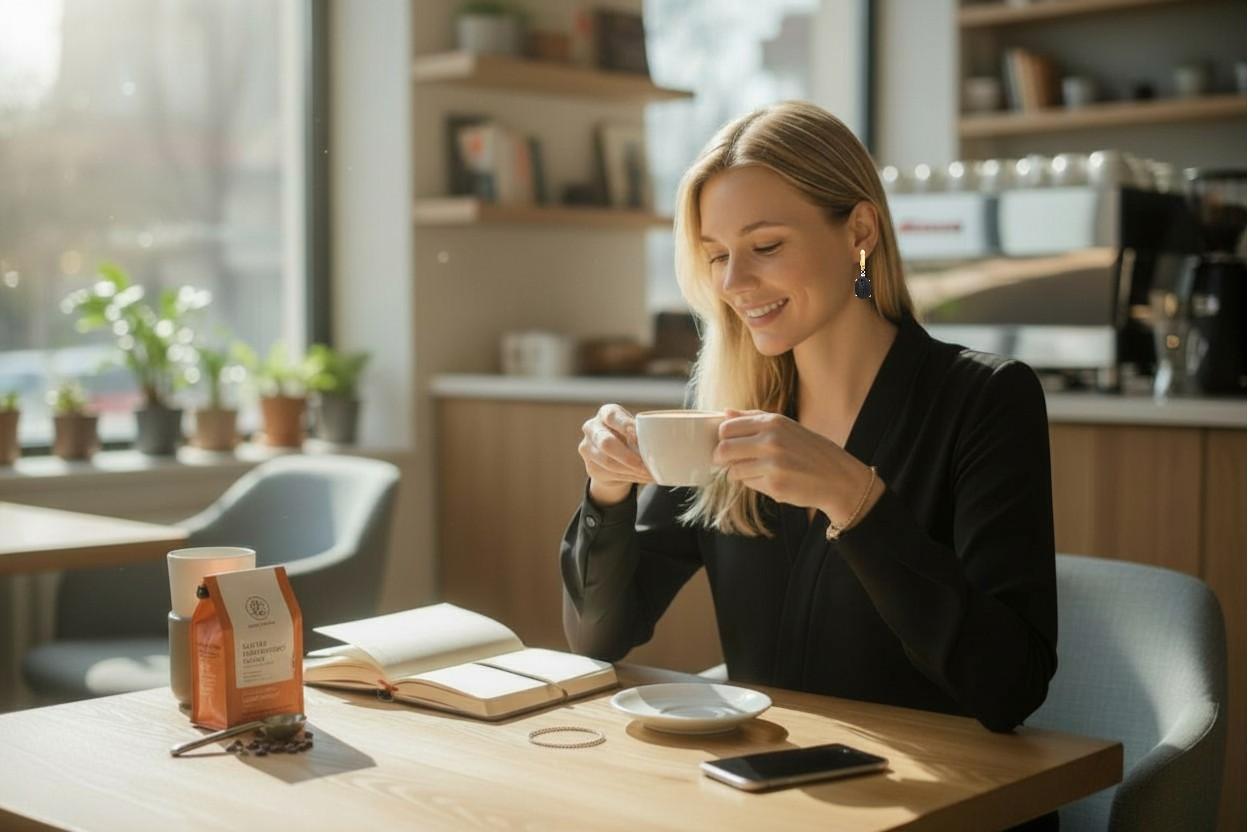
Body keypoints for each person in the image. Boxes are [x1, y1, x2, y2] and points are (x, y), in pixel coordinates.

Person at [560, 101, 1058, 830]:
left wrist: (856, 501)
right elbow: (601, 635)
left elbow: (1009, 688)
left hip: (943, 805)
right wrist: (606, 494)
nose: (733, 282)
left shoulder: (985, 399)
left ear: (859, 231)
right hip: (774, 802)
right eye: (716, 255)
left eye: (765, 246)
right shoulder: (722, 410)